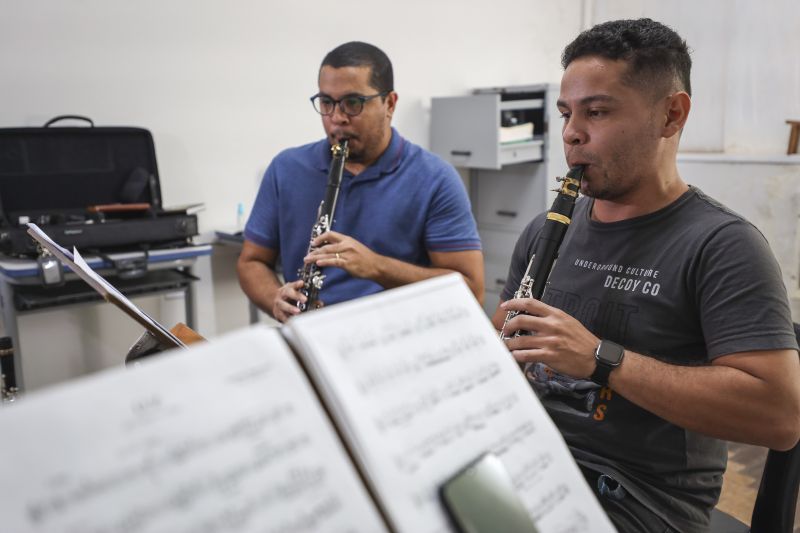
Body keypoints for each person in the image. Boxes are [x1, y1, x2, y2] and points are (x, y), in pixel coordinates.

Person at [493, 18, 800, 533]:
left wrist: (598, 358)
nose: (572, 132)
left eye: (597, 111)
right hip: (531, 463)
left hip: (637, 501)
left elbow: (780, 417)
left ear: (670, 115)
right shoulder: (545, 232)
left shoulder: (723, 246)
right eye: (567, 113)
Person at [238, 42, 484, 323]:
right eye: (327, 103)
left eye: (353, 103)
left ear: (389, 104)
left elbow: (471, 289)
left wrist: (376, 266)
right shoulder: (286, 168)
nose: (336, 119)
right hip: (311, 334)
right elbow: (252, 261)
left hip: (396, 341)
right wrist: (275, 299)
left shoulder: (435, 178)